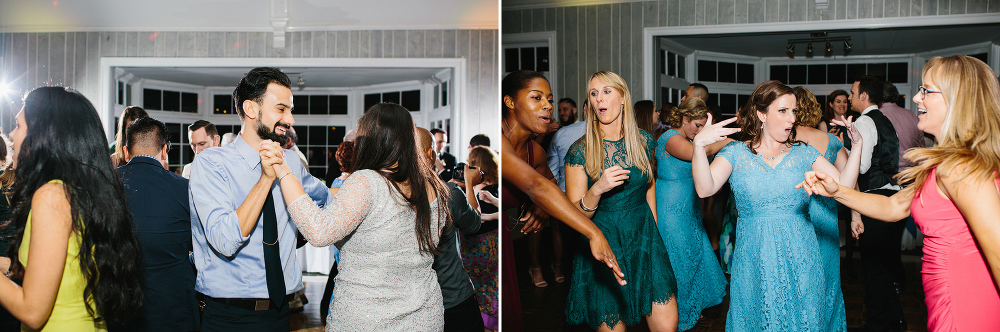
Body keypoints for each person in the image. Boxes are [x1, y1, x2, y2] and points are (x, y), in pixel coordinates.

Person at [799, 55, 1000, 332]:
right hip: (946, 299)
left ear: (958, 99)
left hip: (964, 305)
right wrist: (836, 191)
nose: (917, 98)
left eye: (926, 91)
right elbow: (894, 207)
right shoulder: (945, 163)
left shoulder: (960, 169)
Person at [260, 103, 450, 330]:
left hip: (368, 318)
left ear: (371, 140)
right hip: (424, 316)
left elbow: (319, 233)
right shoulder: (433, 185)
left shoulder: (366, 182)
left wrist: (283, 171)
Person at [691, 80, 862, 331]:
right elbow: (705, 188)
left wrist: (856, 146)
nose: (791, 118)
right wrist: (698, 147)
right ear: (761, 114)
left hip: (801, 253)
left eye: (793, 111)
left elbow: (844, 187)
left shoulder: (804, 153)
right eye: (783, 111)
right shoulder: (736, 153)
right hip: (754, 256)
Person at [188, 67, 331, 332]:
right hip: (228, 316)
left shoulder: (291, 162)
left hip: (281, 314)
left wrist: (297, 232)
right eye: (281, 109)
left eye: (290, 110)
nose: (290, 119)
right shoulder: (211, 164)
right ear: (251, 109)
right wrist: (266, 178)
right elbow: (224, 240)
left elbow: (324, 199)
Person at [0, 86, 144, 331]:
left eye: (18, 125)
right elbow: (59, 270)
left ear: (44, 135)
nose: (12, 135)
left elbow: (32, 311)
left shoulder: (52, 195)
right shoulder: (79, 190)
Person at [500, 70, 624, 331]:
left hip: (499, 241)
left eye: (549, 98)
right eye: (537, 97)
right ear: (510, 102)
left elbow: (548, 185)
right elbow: (535, 185)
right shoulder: (494, 138)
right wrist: (595, 234)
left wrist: (541, 207)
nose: (547, 105)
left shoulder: (536, 151)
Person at [563, 71, 678, 331]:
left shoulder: (644, 141)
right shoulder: (580, 150)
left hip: (644, 240)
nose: (599, 99)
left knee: (667, 324)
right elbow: (575, 216)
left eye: (606, 91)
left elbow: (649, 187)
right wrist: (598, 189)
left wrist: (655, 232)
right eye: (593, 93)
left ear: (623, 97)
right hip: (606, 244)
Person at [117, 117, 199, 332]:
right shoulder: (185, 189)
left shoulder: (105, 183)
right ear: (164, 151)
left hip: (119, 298)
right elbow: (200, 244)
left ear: (126, 152)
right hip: (174, 304)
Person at [654, 96, 728, 331]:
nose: (699, 132)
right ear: (684, 119)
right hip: (670, 211)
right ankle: (677, 312)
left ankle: (691, 306)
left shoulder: (690, 138)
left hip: (689, 209)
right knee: (678, 261)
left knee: (693, 257)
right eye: (697, 126)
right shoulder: (669, 137)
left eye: (702, 127)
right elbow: (693, 154)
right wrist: (726, 141)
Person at [849, 75, 906, 332]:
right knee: (885, 264)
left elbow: (861, 165)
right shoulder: (886, 120)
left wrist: (846, 150)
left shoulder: (864, 121)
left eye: (852, 93)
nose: (850, 97)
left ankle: (877, 325)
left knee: (873, 267)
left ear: (864, 96)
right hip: (893, 195)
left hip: (874, 197)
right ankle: (895, 319)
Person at [416, 127, 485, 332]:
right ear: (430, 154)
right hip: (453, 298)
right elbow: (474, 224)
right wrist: (470, 184)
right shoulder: (449, 194)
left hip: (415, 304)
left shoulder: (390, 196)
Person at [792, 86, 850, 332]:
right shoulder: (831, 140)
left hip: (797, 209)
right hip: (825, 213)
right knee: (826, 279)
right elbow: (848, 181)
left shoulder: (782, 137)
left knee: (795, 277)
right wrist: (856, 216)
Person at [462, 146, 500, 330]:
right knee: (493, 287)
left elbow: (469, 218)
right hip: (495, 242)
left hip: (476, 246)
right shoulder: (498, 186)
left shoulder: (474, 190)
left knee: (479, 288)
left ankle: (485, 325)